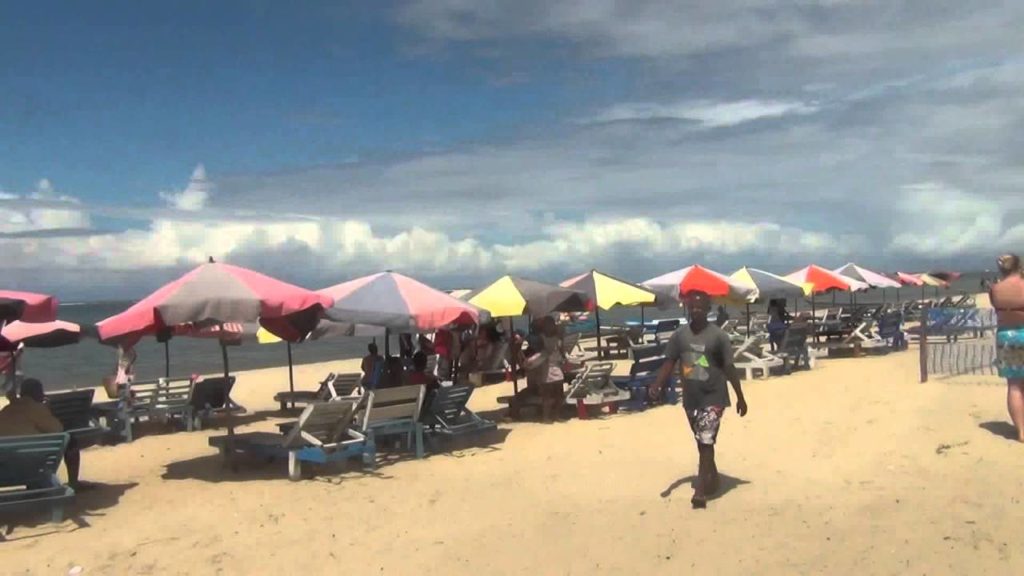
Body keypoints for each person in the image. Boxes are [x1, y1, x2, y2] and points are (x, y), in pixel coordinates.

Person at [649, 291, 748, 509]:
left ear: (708, 310)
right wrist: (657, 384)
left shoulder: (719, 337)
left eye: (700, 308)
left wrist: (740, 397)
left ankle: (701, 492)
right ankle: (712, 477)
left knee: (705, 441)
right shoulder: (680, 336)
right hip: (691, 399)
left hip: (714, 396)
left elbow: (729, 368)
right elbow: (669, 362)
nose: (696, 311)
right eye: (692, 308)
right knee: (702, 441)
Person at [0, 378, 83, 489]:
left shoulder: (6, 410)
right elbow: (58, 430)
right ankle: (74, 483)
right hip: (32, 469)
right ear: (37, 394)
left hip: (4, 469)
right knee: (71, 441)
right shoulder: (36, 408)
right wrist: (46, 409)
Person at [990, 253, 1024, 442]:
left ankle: (1021, 431)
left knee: (1015, 385)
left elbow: (997, 307)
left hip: (1007, 337)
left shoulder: (995, 289)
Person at [521, 316, 566, 424]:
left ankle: (556, 415)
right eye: (548, 325)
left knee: (559, 395)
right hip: (545, 367)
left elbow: (561, 352)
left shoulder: (558, 338)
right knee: (547, 396)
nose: (550, 327)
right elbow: (538, 352)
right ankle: (546, 417)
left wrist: (563, 358)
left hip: (556, 366)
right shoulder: (540, 338)